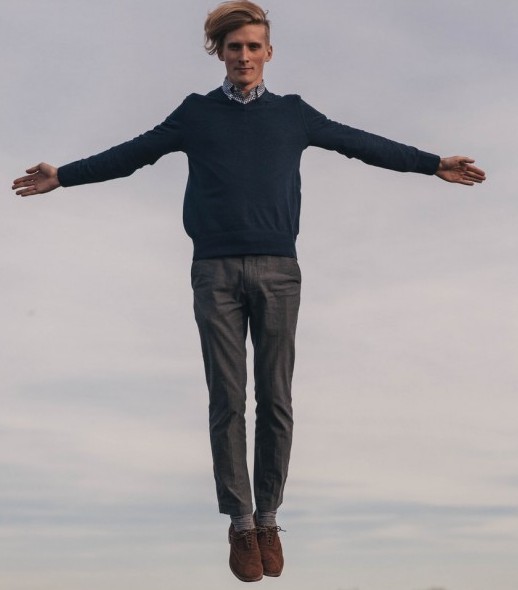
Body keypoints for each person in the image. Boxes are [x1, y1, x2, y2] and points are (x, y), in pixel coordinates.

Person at [12, 0, 486, 583]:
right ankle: (240, 523)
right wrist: (64, 175)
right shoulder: (195, 114)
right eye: (234, 47)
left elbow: (358, 141)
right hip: (214, 272)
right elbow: (131, 154)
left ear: (268, 52)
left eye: (253, 46)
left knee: (276, 399)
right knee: (227, 400)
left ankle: (269, 519)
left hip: (279, 271)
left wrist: (431, 163)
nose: (243, 56)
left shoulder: (293, 114)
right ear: (220, 52)